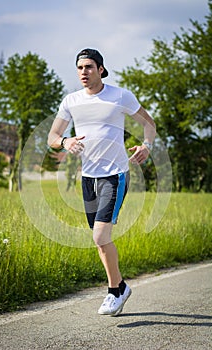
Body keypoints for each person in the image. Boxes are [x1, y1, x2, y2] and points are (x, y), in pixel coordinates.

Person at [48, 48, 156, 316]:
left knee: (99, 235)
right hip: (88, 178)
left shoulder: (120, 96)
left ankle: (112, 292)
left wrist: (147, 146)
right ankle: (121, 288)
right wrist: (65, 141)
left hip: (115, 174)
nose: (83, 72)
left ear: (100, 69)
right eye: (79, 68)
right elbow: (52, 136)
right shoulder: (71, 101)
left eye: (88, 67)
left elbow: (149, 123)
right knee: (100, 240)